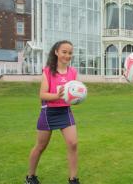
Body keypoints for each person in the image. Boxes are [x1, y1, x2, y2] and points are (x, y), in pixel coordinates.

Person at [25, 40, 80, 184]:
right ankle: (30, 176)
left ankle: (73, 179)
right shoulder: (48, 71)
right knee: (40, 146)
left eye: (70, 53)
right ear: (56, 52)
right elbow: (42, 95)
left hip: (65, 111)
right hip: (48, 112)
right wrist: (57, 96)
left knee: (73, 143)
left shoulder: (73, 72)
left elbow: (74, 93)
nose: (67, 55)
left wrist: (77, 98)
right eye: (64, 52)